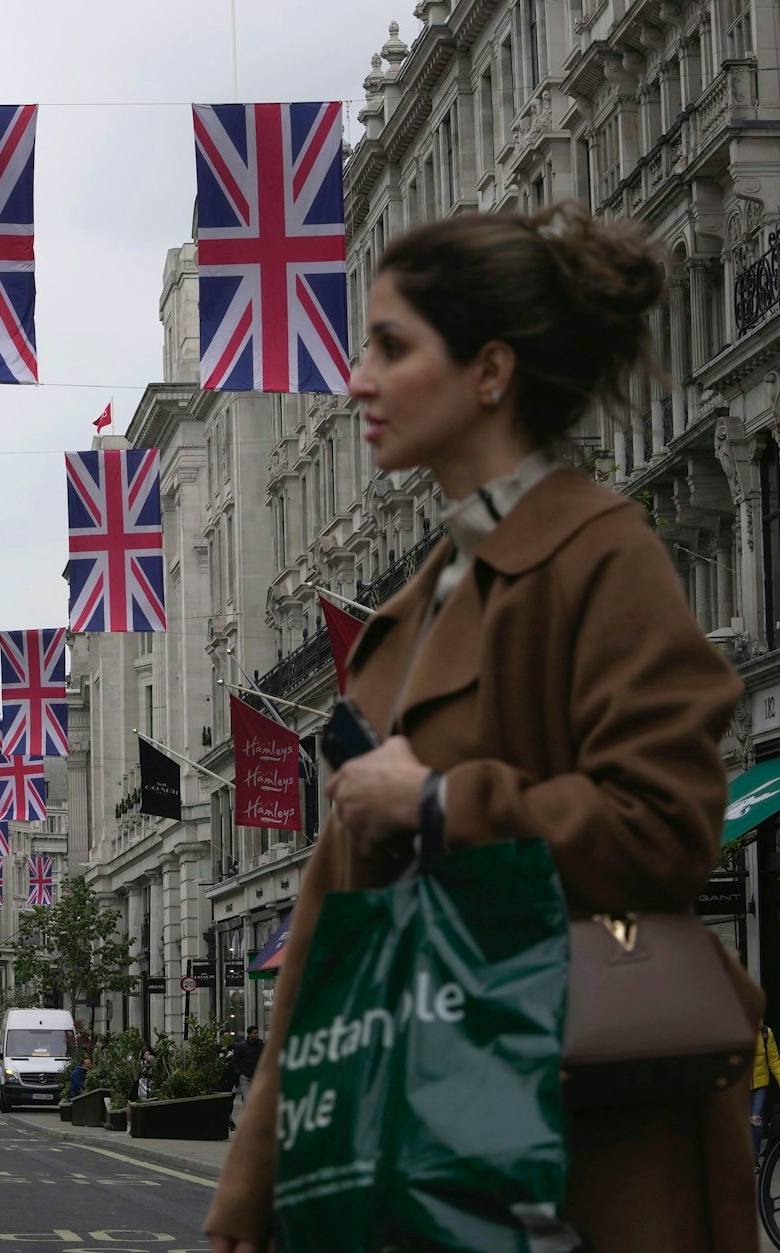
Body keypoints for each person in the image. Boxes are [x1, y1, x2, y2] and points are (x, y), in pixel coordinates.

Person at [205, 202, 759, 1253]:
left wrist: (438, 800)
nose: (356, 379)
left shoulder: (598, 552)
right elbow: (328, 932)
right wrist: (256, 1164)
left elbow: (665, 826)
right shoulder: (411, 609)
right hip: (410, 1134)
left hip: (571, 1143)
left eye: (390, 346)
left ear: (489, 372)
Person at [753, 1022, 780, 1158]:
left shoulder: (765, 1032)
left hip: (760, 1085)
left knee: (755, 1120)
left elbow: (774, 1061)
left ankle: (754, 1159)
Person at [229, 1026, 262, 1103]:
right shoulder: (241, 1046)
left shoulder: (260, 1045)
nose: (256, 1035)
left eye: (257, 1033)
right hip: (245, 1076)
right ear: (249, 1034)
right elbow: (235, 1060)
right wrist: (239, 1074)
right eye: (255, 1033)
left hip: (256, 1075)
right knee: (248, 1099)